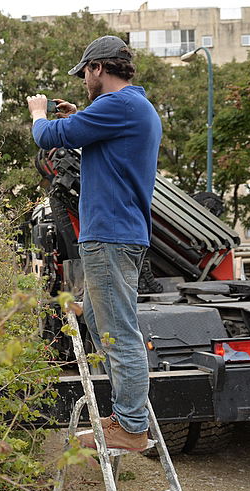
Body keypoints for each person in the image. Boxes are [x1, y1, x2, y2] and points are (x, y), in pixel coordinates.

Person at [26, 35, 162, 451]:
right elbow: (92, 130)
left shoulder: (118, 106)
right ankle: (126, 414)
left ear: (98, 68)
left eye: (84, 72)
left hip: (109, 234)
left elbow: (49, 136)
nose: (84, 79)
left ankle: (132, 427)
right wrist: (82, 114)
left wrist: (37, 114)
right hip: (119, 233)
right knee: (102, 322)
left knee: (120, 334)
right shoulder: (133, 107)